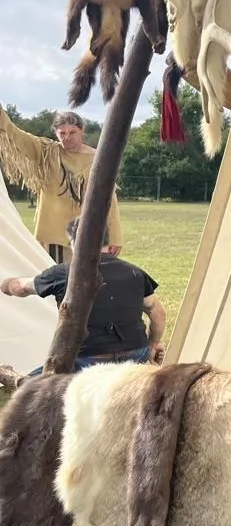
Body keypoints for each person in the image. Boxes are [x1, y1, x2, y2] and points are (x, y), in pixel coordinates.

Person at [0, 216, 163, 388]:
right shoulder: (135, 272)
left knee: (30, 390)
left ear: (74, 242)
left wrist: (5, 284)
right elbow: (158, 313)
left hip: (87, 359)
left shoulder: (62, 273)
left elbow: (20, 287)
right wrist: (153, 344)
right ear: (107, 241)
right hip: (135, 355)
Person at [0, 109, 123, 262]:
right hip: (53, 235)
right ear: (56, 133)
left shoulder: (97, 158)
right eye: (62, 133)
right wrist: (2, 118)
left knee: (86, 275)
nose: (67, 137)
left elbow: (109, 200)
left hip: (85, 234)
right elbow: (19, 137)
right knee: (55, 275)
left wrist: (115, 237)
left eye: (72, 132)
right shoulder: (47, 152)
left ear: (82, 131)